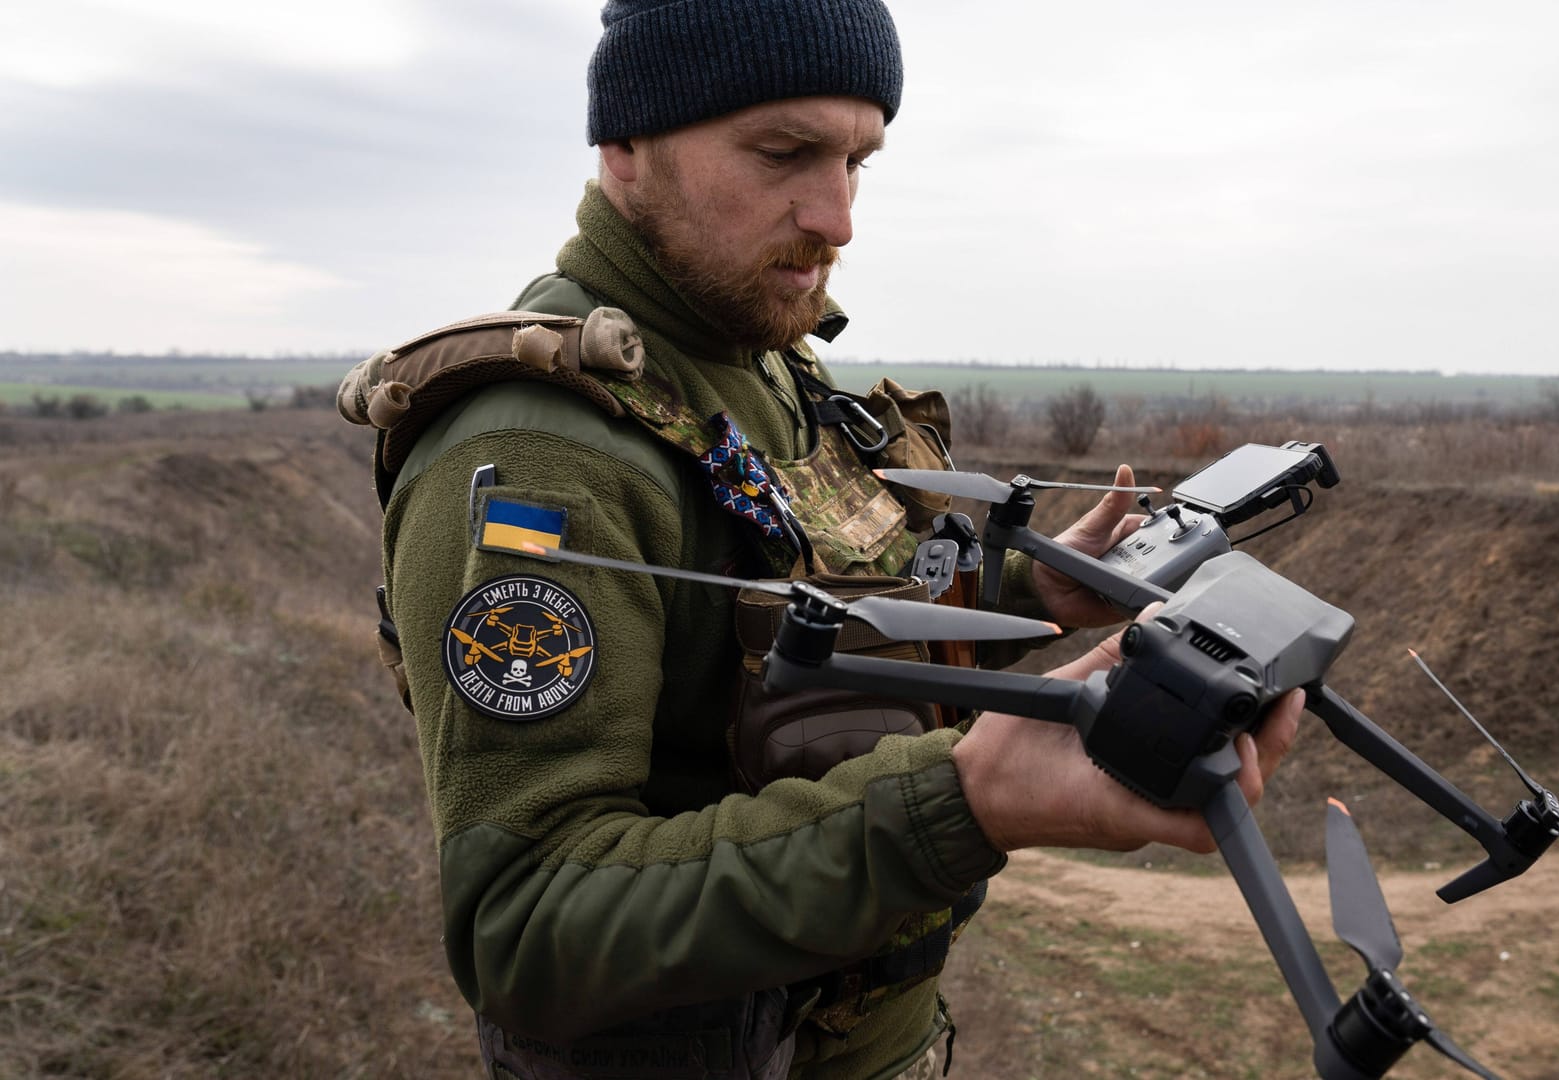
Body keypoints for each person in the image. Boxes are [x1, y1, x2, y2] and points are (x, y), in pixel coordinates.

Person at [355, 2, 1305, 1077]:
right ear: (625, 144)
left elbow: (806, 629)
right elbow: (525, 929)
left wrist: (1034, 598)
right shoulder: (543, 455)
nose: (838, 216)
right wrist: (966, 800)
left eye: (859, 159)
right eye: (784, 152)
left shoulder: (760, 362)